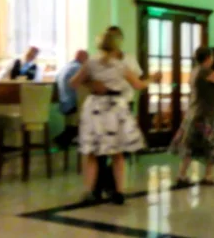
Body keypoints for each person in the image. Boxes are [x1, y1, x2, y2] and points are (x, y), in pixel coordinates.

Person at [69, 31, 160, 205]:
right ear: (116, 46)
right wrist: (153, 79)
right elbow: (138, 85)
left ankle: (89, 191)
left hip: (95, 106)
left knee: (92, 153)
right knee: (118, 153)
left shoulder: (90, 63)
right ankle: (119, 192)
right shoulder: (119, 66)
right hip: (115, 108)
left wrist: (89, 83)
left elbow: (73, 83)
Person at [88, 26, 143, 199]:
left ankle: (112, 184)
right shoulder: (97, 60)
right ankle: (100, 186)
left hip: (124, 104)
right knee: (101, 149)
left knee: (120, 149)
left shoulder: (128, 59)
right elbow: (86, 79)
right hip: (103, 106)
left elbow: (137, 80)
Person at [170, 47, 214, 186]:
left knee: (190, 145)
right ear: (209, 58)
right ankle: (208, 175)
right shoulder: (205, 71)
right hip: (205, 115)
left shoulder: (195, 71)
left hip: (194, 112)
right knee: (213, 143)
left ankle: (181, 174)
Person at [54, 50, 89, 149]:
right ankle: (62, 139)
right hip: (73, 103)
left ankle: (64, 139)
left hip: (64, 103)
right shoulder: (77, 68)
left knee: (74, 126)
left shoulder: (65, 67)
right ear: (83, 58)